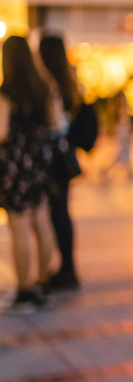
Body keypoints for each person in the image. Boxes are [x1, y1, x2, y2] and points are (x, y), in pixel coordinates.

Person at [0, 36, 62, 310]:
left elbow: (1, 132)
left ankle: (25, 288)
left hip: (15, 163)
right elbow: (56, 123)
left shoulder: (7, 92)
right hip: (39, 161)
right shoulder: (44, 87)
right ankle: (43, 280)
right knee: (42, 218)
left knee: (19, 223)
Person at [38, 35, 82, 291]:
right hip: (64, 156)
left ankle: (66, 269)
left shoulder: (50, 85)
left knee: (57, 213)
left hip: (53, 157)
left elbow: (56, 126)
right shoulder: (68, 81)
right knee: (61, 211)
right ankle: (66, 266)